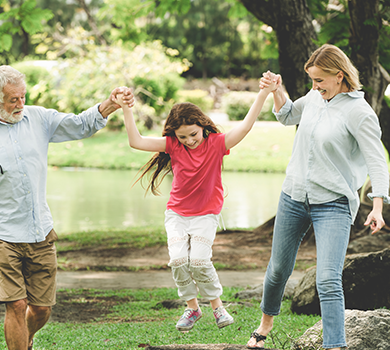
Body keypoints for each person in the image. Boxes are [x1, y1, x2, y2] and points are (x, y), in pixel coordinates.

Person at [0, 65, 134, 350]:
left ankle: (27, 338)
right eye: (12, 100)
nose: (20, 105)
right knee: (16, 305)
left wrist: (110, 104)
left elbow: (80, 125)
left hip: (40, 231)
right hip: (1, 233)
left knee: (41, 309)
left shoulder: (39, 118)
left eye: (22, 97)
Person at [247, 44, 390, 350]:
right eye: (312, 81)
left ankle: (334, 346)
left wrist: (377, 205)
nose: (315, 87)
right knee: (277, 271)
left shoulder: (359, 112)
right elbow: (286, 115)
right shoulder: (314, 97)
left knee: (327, 279)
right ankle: (264, 326)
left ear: (340, 76)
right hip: (294, 196)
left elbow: (377, 160)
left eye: (320, 80)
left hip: (334, 204)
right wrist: (277, 89)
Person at [116, 76, 277, 332]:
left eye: (193, 134)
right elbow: (136, 141)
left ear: (202, 126)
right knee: (179, 261)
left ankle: (217, 307)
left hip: (206, 215)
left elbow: (245, 128)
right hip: (177, 214)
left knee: (200, 261)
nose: (189, 141)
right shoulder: (173, 145)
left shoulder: (216, 144)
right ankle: (192, 308)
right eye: (183, 137)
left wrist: (263, 94)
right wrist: (126, 108)